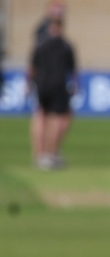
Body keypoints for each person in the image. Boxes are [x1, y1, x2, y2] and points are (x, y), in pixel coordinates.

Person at [28, 17, 76, 170]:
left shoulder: (40, 44)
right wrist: (75, 86)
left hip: (41, 85)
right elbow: (72, 70)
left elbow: (32, 67)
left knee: (41, 115)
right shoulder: (65, 45)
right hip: (57, 86)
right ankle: (50, 154)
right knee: (58, 119)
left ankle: (39, 154)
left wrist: (29, 85)